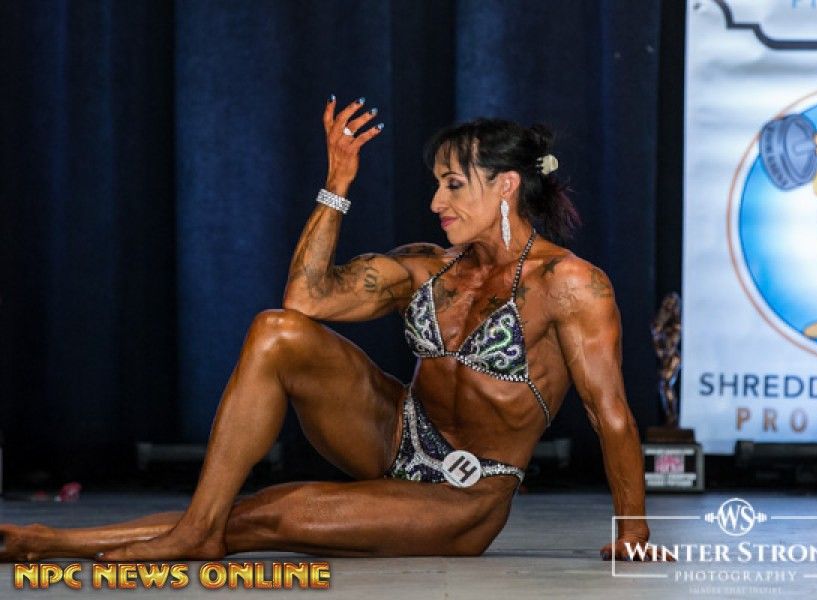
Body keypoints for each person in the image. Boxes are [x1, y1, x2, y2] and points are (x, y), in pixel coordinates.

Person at [0, 97, 651, 561]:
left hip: (466, 493)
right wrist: (337, 183)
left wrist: (633, 532)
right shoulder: (428, 266)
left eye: (454, 186)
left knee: (276, 512)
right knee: (276, 331)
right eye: (436, 185)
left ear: (506, 185)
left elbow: (611, 414)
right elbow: (305, 299)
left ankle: (48, 540)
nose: (436, 202)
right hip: (393, 435)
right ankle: (188, 530)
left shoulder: (569, 283)